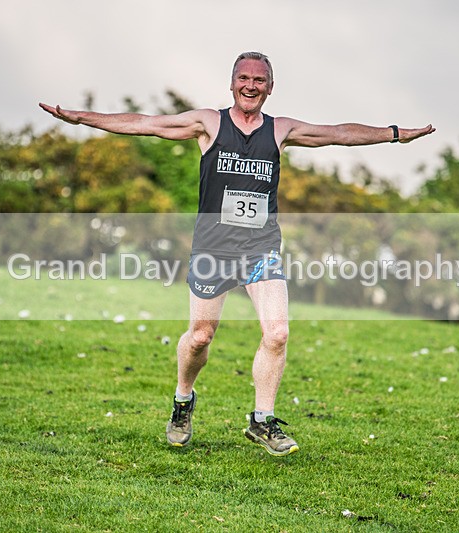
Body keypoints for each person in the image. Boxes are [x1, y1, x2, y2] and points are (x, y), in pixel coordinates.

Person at [40, 51, 434, 456]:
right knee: (200, 337)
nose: (250, 86)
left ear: (270, 87)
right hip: (213, 249)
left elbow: (337, 132)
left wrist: (394, 133)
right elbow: (145, 124)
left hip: (261, 249)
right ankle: (182, 400)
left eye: (259, 80)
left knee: (277, 333)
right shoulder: (209, 123)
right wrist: (82, 118)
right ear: (231, 84)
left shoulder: (280, 130)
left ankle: (262, 420)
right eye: (243, 78)